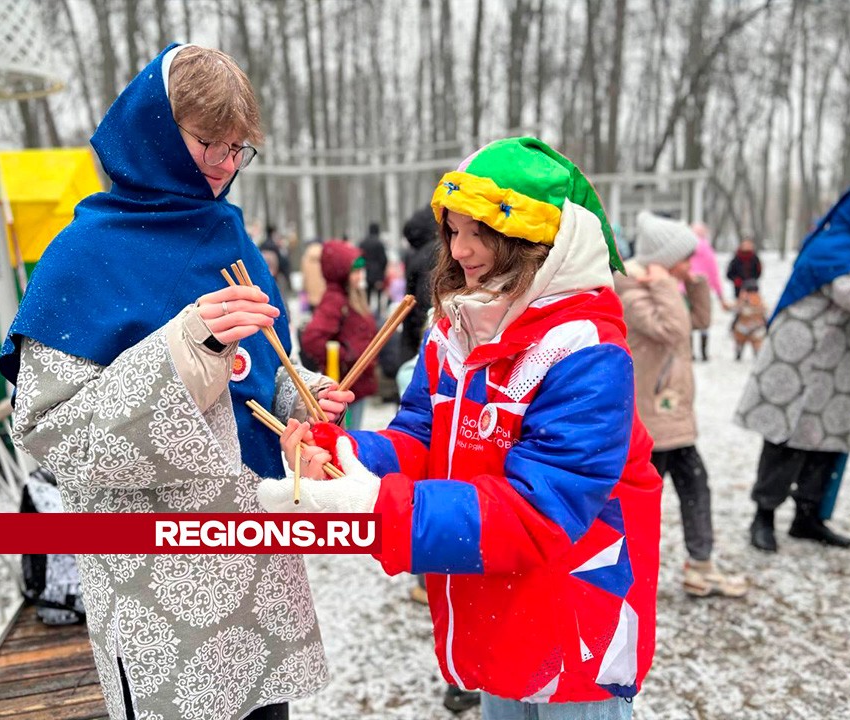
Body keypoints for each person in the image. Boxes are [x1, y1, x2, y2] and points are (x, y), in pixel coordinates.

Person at [0, 44, 353, 720]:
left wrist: (297, 391)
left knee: (263, 707)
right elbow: (49, 433)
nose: (224, 165)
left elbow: (258, 366)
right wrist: (187, 350)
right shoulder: (84, 255)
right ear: (155, 130)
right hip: (157, 575)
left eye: (237, 148)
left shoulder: (228, 234)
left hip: (253, 558)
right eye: (206, 142)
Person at [260, 137, 663, 719]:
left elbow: (539, 511)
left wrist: (377, 508)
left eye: (479, 231)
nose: (460, 249)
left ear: (534, 238)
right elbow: (422, 440)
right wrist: (344, 453)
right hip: (495, 606)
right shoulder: (458, 330)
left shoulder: (587, 351)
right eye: (452, 231)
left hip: (572, 622)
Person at [615, 211, 747, 599]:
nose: (689, 265)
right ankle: (633, 572)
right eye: (684, 259)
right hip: (653, 418)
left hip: (672, 414)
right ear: (661, 259)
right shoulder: (633, 292)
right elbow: (673, 331)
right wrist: (665, 287)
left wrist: (694, 283)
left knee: (693, 486)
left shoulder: (661, 289)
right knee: (645, 501)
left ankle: (699, 565)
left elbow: (700, 321)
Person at [737, 185, 850, 553]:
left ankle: (808, 517)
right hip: (801, 366)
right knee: (784, 441)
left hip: (836, 372)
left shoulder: (849, 247)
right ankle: (764, 517)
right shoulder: (832, 247)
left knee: (826, 445)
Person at [301, 240, 378, 431]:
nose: (359, 276)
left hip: (357, 383)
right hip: (345, 385)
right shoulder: (335, 299)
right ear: (341, 271)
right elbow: (312, 339)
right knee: (345, 439)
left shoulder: (354, 295)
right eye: (355, 271)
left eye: (361, 270)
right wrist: (345, 356)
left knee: (353, 436)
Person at [400, 206, 440, 366]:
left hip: (413, 339)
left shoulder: (418, 255)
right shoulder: (433, 254)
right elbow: (426, 303)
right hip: (424, 338)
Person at [689, 223, 731, 361]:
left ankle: (690, 353)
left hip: (684, 287)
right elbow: (713, 273)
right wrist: (720, 295)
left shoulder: (685, 248)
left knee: (687, 320)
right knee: (704, 320)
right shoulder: (707, 250)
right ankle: (704, 353)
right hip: (702, 287)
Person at [730, 279, 767, 360]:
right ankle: (752, 354)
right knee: (748, 342)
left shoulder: (751, 301)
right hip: (751, 328)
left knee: (744, 341)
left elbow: (734, 310)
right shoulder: (758, 301)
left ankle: (744, 353)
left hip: (748, 328)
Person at [360, 221, 389, 314]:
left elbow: (359, 258)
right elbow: (384, 259)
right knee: (379, 297)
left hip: (365, 274)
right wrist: (382, 273)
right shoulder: (379, 243)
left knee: (367, 296)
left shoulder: (363, 243)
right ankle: (379, 314)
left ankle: (367, 314)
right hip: (377, 275)